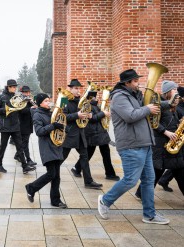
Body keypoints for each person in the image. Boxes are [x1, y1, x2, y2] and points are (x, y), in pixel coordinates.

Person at [97, 69, 169, 225]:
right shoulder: (119, 97)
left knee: (149, 180)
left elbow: (144, 109)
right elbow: (130, 116)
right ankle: (105, 200)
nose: (139, 83)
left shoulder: (134, 95)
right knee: (130, 180)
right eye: (135, 81)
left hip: (144, 143)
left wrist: (167, 103)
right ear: (126, 83)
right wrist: (147, 109)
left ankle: (149, 215)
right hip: (131, 145)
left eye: (138, 80)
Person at [135, 80, 184, 199]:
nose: (176, 92)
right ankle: (140, 193)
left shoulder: (174, 105)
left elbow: (173, 119)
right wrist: (166, 132)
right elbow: (153, 123)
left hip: (172, 141)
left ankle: (140, 193)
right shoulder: (159, 104)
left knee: (179, 170)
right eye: (174, 90)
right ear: (167, 92)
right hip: (161, 143)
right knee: (157, 171)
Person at [25, 93, 67, 208]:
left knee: (56, 176)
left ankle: (55, 200)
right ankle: (31, 187)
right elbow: (39, 131)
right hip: (47, 147)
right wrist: (53, 126)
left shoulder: (52, 113)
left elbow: (60, 124)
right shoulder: (37, 115)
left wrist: (61, 126)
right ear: (40, 103)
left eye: (49, 100)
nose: (49, 103)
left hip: (56, 146)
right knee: (51, 173)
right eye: (46, 101)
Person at [61, 79, 103, 189]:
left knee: (84, 157)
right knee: (61, 158)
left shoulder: (81, 100)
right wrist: (77, 115)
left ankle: (88, 181)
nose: (78, 90)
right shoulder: (64, 100)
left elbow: (86, 111)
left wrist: (88, 114)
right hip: (70, 134)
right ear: (70, 89)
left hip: (80, 133)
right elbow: (62, 117)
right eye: (75, 88)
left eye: (79, 88)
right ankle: (51, 175)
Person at [0, 79, 36, 174]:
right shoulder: (1, 97)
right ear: (8, 87)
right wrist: (6, 110)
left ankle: (25, 166)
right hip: (5, 125)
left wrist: (27, 105)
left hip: (16, 125)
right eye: (12, 86)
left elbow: (21, 110)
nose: (14, 88)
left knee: (20, 147)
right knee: (2, 146)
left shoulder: (17, 97)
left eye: (15, 86)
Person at [74, 97, 120, 181]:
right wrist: (103, 113)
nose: (96, 97)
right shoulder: (86, 105)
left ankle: (110, 173)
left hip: (100, 133)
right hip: (93, 133)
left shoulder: (96, 105)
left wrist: (105, 113)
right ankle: (77, 168)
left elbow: (97, 117)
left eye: (96, 95)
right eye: (94, 96)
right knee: (89, 153)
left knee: (105, 153)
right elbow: (92, 118)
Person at [13, 86, 37, 166]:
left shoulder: (29, 100)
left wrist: (34, 104)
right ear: (22, 92)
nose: (28, 94)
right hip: (22, 124)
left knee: (24, 142)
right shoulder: (19, 100)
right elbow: (21, 111)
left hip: (29, 124)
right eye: (26, 92)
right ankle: (28, 159)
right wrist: (31, 108)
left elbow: (33, 109)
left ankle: (17, 155)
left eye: (29, 92)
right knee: (25, 143)